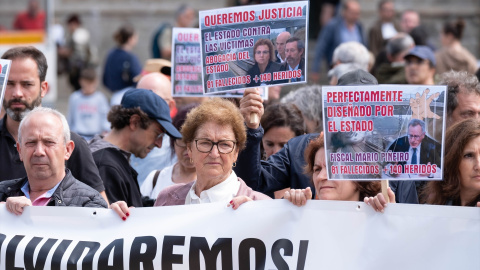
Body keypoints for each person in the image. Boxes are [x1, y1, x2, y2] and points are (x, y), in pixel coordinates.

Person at [236, 69, 419, 204]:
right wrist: (251, 129)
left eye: (364, 104)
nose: (354, 110)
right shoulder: (300, 148)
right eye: (316, 169)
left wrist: (393, 214)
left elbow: (410, 225)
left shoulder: (397, 159)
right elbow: (252, 182)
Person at [110, 98, 270, 219]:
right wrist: (120, 219)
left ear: (236, 152)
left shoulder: (260, 204)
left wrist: (256, 220)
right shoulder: (167, 198)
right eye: (205, 143)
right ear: (189, 149)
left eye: (225, 144)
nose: (214, 153)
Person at [0, 46, 108, 203]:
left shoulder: (73, 143)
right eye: (9, 84)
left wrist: (116, 214)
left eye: (26, 84)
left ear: (43, 88)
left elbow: (98, 210)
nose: (17, 93)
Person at [0, 107, 107, 215]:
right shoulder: (2, 193)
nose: (39, 152)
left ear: (68, 149)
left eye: (49, 142)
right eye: (31, 142)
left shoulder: (90, 204)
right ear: (20, 150)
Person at [89, 88, 182, 207]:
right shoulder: (106, 165)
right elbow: (112, 223)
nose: (159, 144)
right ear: (135, 122)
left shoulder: (108, 157)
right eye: (157, 134)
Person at [367, 119, 480, 211]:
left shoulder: (433, 149)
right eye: (469, 155)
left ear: (423, 135)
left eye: (416, 136)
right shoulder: (435, 203)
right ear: (453, 160)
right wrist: (390, 211)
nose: (478, 165)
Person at [284, 135, 381, 206]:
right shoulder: (303, 216)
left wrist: (390, 214)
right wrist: (297, 212)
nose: (320, 177)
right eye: (317, 169)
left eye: (333, 167)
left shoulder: (378, 222)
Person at [140, 104, 198, 200]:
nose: (188, 149)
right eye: (182, 140)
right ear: (172, 142)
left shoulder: (216, 183)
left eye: (195, 141)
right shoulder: (155, 179)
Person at [130, 73, 178, 186]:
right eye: (139, 100)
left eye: (155, 100)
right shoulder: (117, 141)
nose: (144, 107)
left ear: (170, 106)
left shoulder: (178, 146)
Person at [312, 0, 366, 82]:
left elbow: (365, 46)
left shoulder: (359, 26)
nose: (355, 16)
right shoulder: (332, 26)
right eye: (352, 13)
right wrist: (315, 69)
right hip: (338, 69)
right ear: (344, 12)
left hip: (358, 70)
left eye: (357, 13)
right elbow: (321, 47)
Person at [261, 103, 306, 199]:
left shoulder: (313, 178)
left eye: (285, 146)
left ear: (301, 143)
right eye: (269, 144)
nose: (276, 152)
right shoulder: (252, 177)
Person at [67, 68, 110, 141]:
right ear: (81, 81)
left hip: (95, 136)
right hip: (79, 135)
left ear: (96, 82)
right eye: (86, 83)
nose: (88, 86)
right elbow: (70, 117)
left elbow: (105, 117)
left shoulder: (100, 98)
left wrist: (105, 131)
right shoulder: (75, 97)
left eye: (91, 83)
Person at [58, 14, 97, 91]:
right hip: (76, 71)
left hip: (81, 71)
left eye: (70, 25)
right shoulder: (74, 35)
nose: (69, 27)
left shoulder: (79, 34)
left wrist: (66, 53)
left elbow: (80, 55)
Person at [103, 25, 142, 93]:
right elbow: (138, 79)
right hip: (128, 94)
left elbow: (105, 79)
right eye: (135, 37)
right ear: (130, 39)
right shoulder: (130, 57)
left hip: (113, 95)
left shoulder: (111, 54)